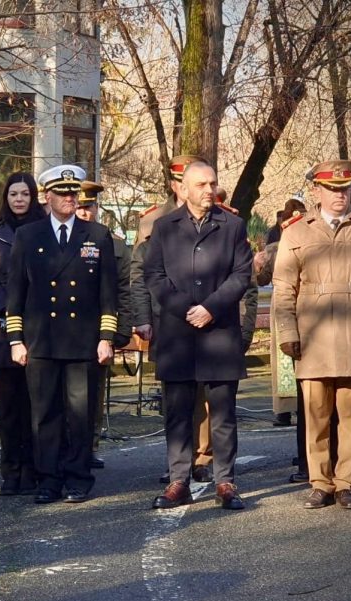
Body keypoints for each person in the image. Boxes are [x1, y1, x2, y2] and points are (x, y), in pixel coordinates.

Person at [272, 159, 351, 509]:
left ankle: (346, 483)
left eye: (345, 188)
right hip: (312, 338)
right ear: (316, 191)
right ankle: (319, 481)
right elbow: (283, 288)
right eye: (331, 189)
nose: (339, 194)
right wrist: (287, 332)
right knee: (315, 416)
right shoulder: (296, 232)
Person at [144, 162, 252, 510]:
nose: (209, 189)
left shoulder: (232, 225)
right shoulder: (164, 227)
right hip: (177, 334)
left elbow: (241, 275)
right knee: (177, 413)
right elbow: (154, 276)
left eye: (213, 183)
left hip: (218, 332)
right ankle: (179, 480)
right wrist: (184, 307)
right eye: (201, 184)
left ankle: (226, 481)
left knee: (222, 413)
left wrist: (211, 307)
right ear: (184, 189)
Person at [7, 164, 118, 504]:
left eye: (73, 193)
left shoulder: (97, 235)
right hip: (41, 340)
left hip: (82, 341)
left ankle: (78, 477)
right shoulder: (29, 236)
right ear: (47, 197)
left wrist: (106, 337)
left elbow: (108, 293)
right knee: (45, 415)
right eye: (62, 193)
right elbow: (16, 291)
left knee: (80, 414)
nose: (69, 199)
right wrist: (15, 338)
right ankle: (49, 478)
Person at [130, 155, 214, 483]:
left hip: (208, 318)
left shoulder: (219, 217)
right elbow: (139, 273)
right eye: (182, 182)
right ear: (175, 185)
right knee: (174, 394)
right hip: (165, 317)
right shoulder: (153, 222)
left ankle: (203, 457)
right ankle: (177, 457)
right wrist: (142, 317)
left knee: (204, 392)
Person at [0, 172, 45, 495]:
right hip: (1, 326)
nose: (18, 200)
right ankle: (11, 471)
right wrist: (9, 307)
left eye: (24, 194)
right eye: (13, 194)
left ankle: (33, 469)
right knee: (7, 407)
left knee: (34, 404)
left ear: (33, 197)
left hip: (37, 326)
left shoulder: (44, 227)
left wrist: (28, 310)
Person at [76, 179, 132, 468]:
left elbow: (124, 288)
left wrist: (121, 330)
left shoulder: (115, 244)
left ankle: (90, 444)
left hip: (101, 328)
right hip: (71, 328)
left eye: (90, 207)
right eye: (81, 206)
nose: (85, 212)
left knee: (95, 391)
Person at [254, 197, 306, 428]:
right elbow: (262, 277)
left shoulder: (275, 247)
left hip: (291, 302)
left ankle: (285, 411)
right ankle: (292, 407)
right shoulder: (278, 248)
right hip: (296, 302)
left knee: (288, 357)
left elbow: (261, 279)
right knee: (290, 357)